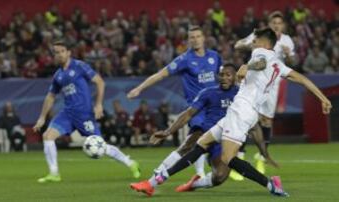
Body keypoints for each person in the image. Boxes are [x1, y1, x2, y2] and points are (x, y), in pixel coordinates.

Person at [131, 28, 332, 197]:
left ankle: (271, 184)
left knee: (228, 159)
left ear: (265, 42)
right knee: (200, 145)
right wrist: (323, 98)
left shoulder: (261, 53)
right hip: (239, 111)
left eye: (256, 40)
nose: (253, 42)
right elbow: (302, 78)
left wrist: (247, 65)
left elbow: (259, 63)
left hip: (242, 112)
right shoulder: (279, 65)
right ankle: (152, 183)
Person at [130, 64, 278, 196]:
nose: (224, 78)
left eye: (228, 75)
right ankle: (151, 183)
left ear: (235, 77)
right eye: (221, 74)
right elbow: (189, 113)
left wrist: (264, 153)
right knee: (189, 144)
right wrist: (169, 131)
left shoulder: (242, 96)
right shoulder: (209, 92)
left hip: (225, 140)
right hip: (206, 132)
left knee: (219, 176)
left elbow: (255, 128)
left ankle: (193, 184)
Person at [33, 40, 140, 183]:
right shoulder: (58, 75)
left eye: (61, 51)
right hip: (67, 113)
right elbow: (51, 96)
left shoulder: (79, 66)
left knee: (101, 146)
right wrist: (42, 117)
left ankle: (131, 163)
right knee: (47, 135)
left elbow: (100, 82)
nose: (59, 55)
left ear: (68, 52)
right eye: (56, 52)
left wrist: (98, 105)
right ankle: (54, 173)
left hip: (84, 114)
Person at [127, 25, 222, 178]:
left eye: (198, 36)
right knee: (196, 137)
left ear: (204, 38)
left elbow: (224, 77)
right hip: (196, 108)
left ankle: (199, 173)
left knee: (203, 144)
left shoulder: (215, 56)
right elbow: (160, 75)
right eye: (192, 37)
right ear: (188, 41)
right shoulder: (184, 59)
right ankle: (165, 171)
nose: (196, 40)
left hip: (215, 108)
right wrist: (139, 88)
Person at [234, 11, 296, 175]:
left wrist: (288, 54)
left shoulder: (287, 40)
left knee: (267, 120)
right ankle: (240, 153)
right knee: (247, 117)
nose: (276, 25)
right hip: (254, 82)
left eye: (279, 23)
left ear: (283, 26)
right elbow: (238, 45)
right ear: (269, 24)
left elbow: (293, 63)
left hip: (273, 85)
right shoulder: (258, 36)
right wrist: (251, 44)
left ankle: (262, 157)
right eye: (274, 22)